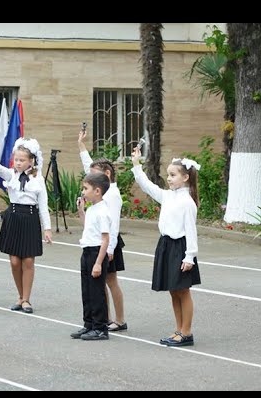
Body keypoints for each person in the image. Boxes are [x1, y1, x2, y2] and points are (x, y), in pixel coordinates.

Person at [131, 147, 201, 347]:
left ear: (186, 177)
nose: (168, 179)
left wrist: (190, 257)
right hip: (166, 245)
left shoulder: (187, 201)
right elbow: (147, 186)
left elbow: (191, 231)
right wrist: (136, 164)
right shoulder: (169, 196)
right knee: (173, 290)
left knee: (183, 290)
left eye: (173, 175)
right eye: (168, 175)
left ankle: (186, 332)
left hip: (181, 248)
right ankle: (178, 329)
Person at [0, 137, 52, 314]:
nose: (18, 163)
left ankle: (27, 299)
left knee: (28, 261)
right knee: (15, 261)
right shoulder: (11, 174)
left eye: (22, 160)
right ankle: (20, 296)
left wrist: (47, 228)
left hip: (30, 219)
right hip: (13, 217)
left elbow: (43, 206)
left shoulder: (38, 180)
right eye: (16, 159)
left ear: (31, 161)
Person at [78, 129, 128, 332]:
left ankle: (119, 319)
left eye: (94, 174)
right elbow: (88, 167)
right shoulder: (99, 189)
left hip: (108, 243)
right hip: (98, 241)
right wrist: (81, 145)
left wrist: (109, 250)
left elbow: (113, 225)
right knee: (99, 283)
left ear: (106, 175)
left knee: (110, 281)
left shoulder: (112, 194)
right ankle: (102, 318)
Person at [70, 171, 111, 341]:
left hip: (96, 253)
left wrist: (98, 263)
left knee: (96, 292)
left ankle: (100, 327)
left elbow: (105, 239)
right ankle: (89, 324)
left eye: (86, 188)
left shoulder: (103, 211)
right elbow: (88, 226)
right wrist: (81, 210)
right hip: (87, 251)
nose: (83, 191)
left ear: (97, 191)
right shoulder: (93, 208)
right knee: (86, 291)